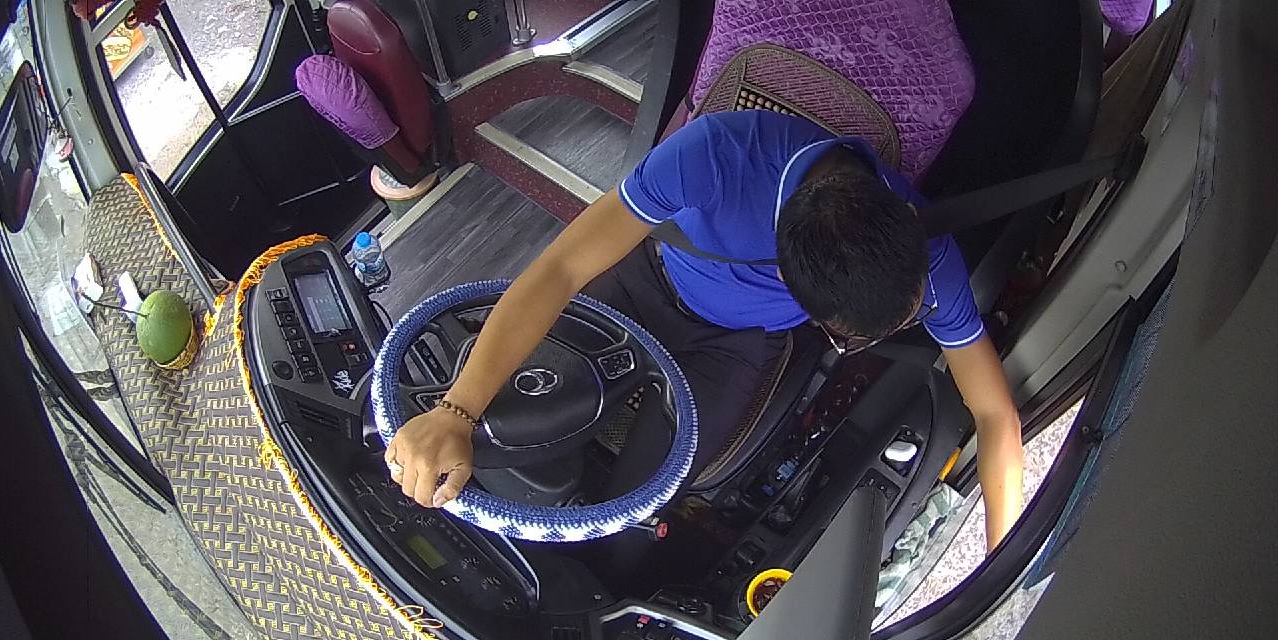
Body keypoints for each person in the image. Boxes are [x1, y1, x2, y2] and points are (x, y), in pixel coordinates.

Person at [385, 110, 1024, 552]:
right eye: (843, 337)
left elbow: (996, 416)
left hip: (738, 341)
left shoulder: (925, 259)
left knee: (642, 495)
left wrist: (1000, 569)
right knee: (515, 422)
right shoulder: (716, 154)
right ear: (782, 270)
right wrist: (456, 410)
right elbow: (562, 268)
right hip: (644, 276)